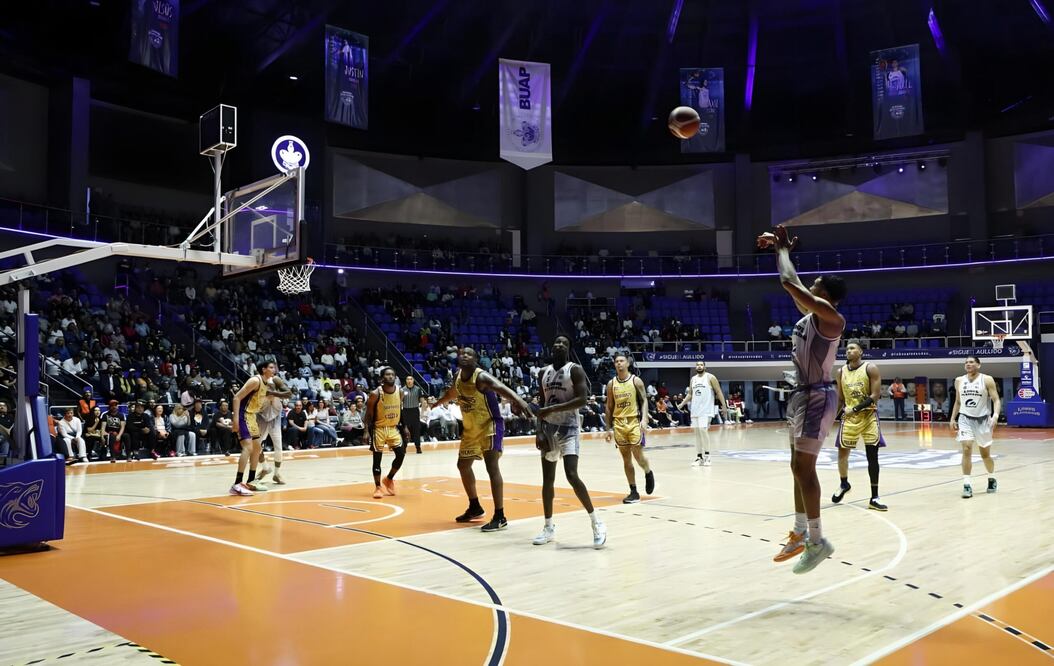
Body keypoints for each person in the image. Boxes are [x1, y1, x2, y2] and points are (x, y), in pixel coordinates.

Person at [759, 224, 846, 575]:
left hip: (817, 396)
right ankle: (799, 530)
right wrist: (784, 255)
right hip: (802, 395)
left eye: (816, 286)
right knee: (796, 467)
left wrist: (781, 252)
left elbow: (788, 283)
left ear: (827, 295)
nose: (810, 286)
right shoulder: (811, 315)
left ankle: (817, 539)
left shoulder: (831, 318)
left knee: (803, 469)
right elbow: (794, 286)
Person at [433, 347, 530, 532]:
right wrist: (439, 402)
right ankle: (475, 507)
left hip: (490, 425)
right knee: (463, 466)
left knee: (492, 467)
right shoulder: (458, 375)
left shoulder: (482, 377)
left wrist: (520, 401)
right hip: (471, 429)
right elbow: (453, 392)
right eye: (462, 353)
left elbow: (501, 388)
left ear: (476, 359)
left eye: (469, 353)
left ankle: (500, 516)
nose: (465, 356)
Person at [532, 335, 606, 549]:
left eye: (564, 342)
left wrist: (552, 409)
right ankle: (548, 527)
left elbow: (583, 399)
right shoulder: (543, 373)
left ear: (569, 348)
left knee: (572, 475)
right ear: (551, 346)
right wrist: (538, 430)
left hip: (570, 429)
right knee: (547, 481)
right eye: (556, 342)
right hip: (548, 430)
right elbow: (541, 404)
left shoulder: (575, 370)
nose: (559, 345)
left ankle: (597, 523)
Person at [831, 340, 887, 511]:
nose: (848, 351)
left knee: (872, 457)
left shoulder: (870, 368)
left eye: (852, 348)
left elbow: (875, 395)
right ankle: (844, 483)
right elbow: (840, 399)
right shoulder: (840, 372)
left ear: (861, 351)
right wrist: (831, 419)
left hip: (868, 416)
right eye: (847, 348)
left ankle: (874, 497)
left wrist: (855, 408)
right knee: (842, 454)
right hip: (849, 419)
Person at [604, 353, 654, 504]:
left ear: (628, 363)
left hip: (633, 421)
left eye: (621, 361)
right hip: (619, 424)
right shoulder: (611, 384)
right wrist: (608, 428)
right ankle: (633, 491)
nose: (619, 363)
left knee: (638, 455)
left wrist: (644, 419)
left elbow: (644, 400)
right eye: (616, 361)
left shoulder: (636, 381)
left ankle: (647, 471)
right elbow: (609, 407)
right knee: (626, 459)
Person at [950, 356, 1002, 499]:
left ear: (979, 365)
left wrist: (996, 416)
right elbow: (958, 402)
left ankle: (991, 477)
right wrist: (953, 418)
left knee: (985, 455)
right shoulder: (959, 380)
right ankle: (967, 484)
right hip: (965, 418)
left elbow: (996, 400)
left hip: (983, 420)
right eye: (966, 362)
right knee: (966, 448)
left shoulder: (987, 379)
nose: (968, 364)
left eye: (971, 362)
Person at [230, 361, 279, 496]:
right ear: (263, 369)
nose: (274, 369)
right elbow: (236, 397)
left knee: (257, 448)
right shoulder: (255, 380)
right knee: (248, 448)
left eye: (274, 367)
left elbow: (258, 402)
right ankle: (237, 484)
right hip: (243, 415)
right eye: (271, 367)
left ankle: (251, 481)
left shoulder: (266, 384)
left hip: (252, 416)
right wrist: (235, 420)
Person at [364, 368, 408, 499]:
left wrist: (405, 427)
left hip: (393, 428)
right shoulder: (375, 393)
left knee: (401, 455)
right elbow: (368, 414)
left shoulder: (400, 392)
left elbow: (400, 410)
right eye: (387, 374)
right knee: (377, 459)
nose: (390, 376)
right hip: (379, 428)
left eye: (393, 374)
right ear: (382, 378)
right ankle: (378, 487)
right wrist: (366, 431)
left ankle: (389, 479)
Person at [677, 361, 728, 467]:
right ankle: (699, 457)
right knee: (697, 433)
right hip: (695, 410)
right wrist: (681, 404)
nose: (699, 366)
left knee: (703, 430)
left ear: (705, 367)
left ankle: (708, 457)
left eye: (701, 365)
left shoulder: (710, 377)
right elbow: (690, 394)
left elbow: (718, 391)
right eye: (697, 365)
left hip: (706, 410)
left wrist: (724, 407)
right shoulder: (693, 379)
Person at [255, 375, 293, 485]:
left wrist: (273, 393)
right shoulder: (257, 381)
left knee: (278, 447)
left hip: (275, 417)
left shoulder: (276, 379)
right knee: (255, 446)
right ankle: (265, 467)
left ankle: (277, 474)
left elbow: (289, 393)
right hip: (261, 416)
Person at [401, 375, 425, 454]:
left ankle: (418, 447)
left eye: (411, 379)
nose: (409, 380)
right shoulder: (402, 390)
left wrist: (422, 413)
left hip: (415, 411)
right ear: (406, 381)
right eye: (407, 379)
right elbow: (399, 401)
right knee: (405, 430)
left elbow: (422, 401)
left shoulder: (418, 389)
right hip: (405, 411)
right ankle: (404, 447)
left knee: (416, 430)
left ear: (413, 380)